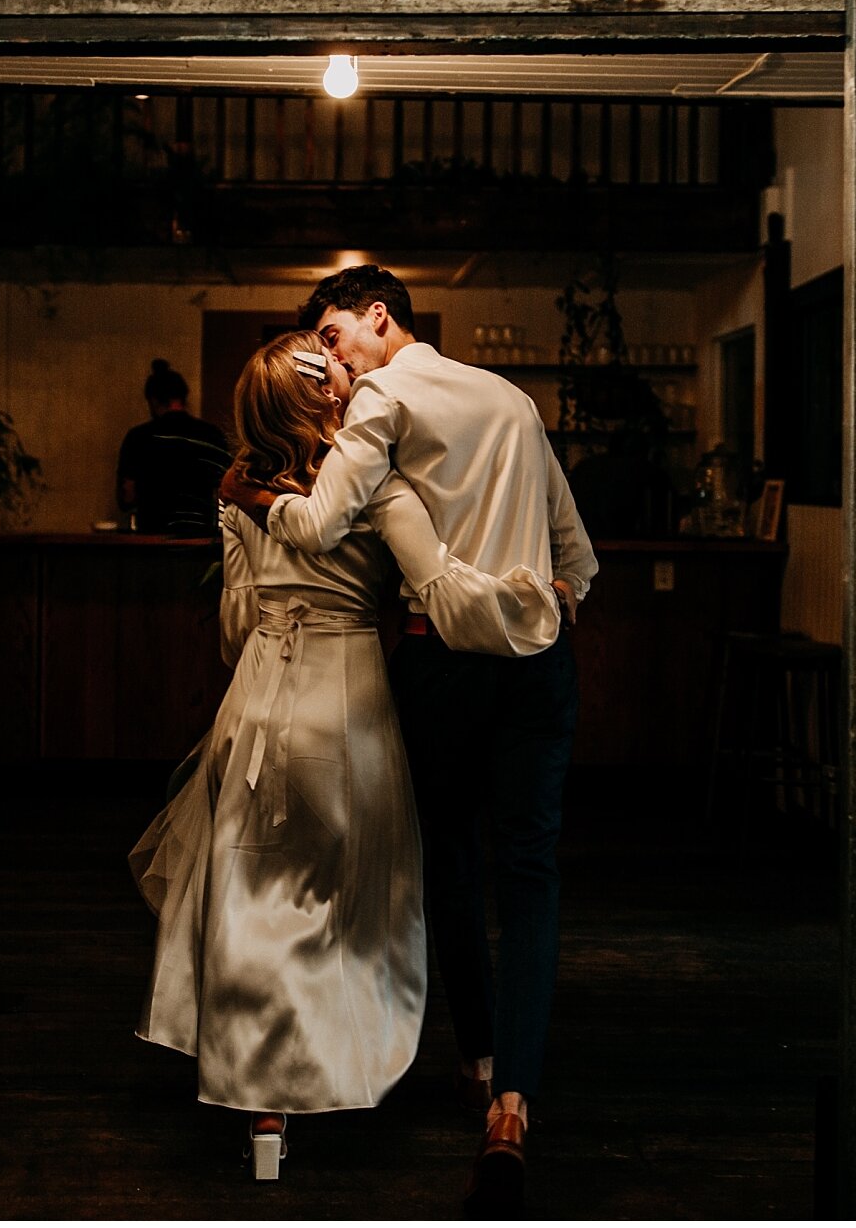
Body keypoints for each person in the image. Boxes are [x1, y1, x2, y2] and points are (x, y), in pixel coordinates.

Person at [132, 330, 562, 1181]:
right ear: (325, 402)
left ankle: (263, 1108)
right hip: (351, 705)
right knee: (350, 899)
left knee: (252, 898)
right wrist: (525, 606)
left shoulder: (238, 497)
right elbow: (435, 587)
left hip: (256, 702)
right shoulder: (379, 488)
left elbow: (232, 633)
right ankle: (340, 1064)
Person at [222, 264, 598, 1214]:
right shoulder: (513, 398)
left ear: (377, 317)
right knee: (533, 874)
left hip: (444, 667)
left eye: (335, 337)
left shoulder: (382, 396)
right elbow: (579, 557)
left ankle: (474, 1058)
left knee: (452, 867)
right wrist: (545, 608)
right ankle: (510, 1101)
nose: (333, 364)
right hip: (540, 661)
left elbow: (318, 524)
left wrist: (251, 496)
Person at [115, 357, 231, 535]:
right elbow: (227, 490)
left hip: (151, 536)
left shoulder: (139, 437)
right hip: (199, 537)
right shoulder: (211, 435)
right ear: (184, 397)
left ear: (153, 401)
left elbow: (127, 496)